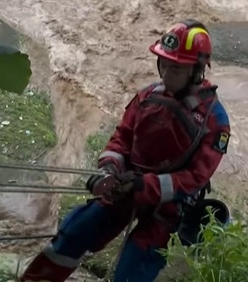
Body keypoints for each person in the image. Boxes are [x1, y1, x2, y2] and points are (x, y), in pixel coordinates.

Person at [20, 20, 231, 282]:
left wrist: (145, 186)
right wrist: (108, 170)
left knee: (132, 272)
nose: (166, 74)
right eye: (163, 64)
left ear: (196, 70)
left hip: (167, 208)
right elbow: (122, 138)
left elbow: (194, 178)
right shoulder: (147, 97)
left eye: (175, 69)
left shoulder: (214, 121)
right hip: (125, 187)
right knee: (73, 234)